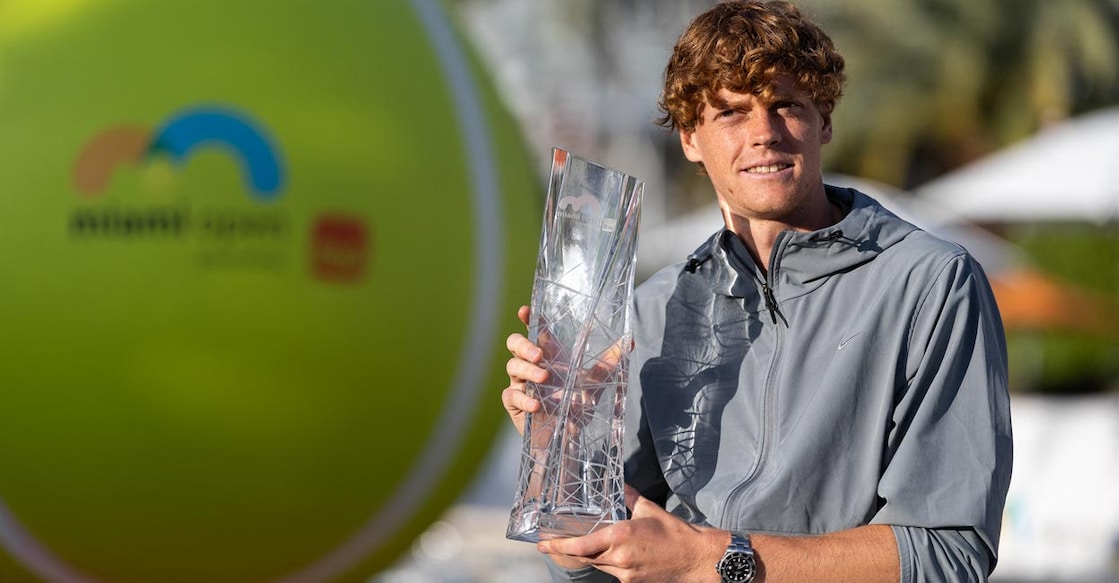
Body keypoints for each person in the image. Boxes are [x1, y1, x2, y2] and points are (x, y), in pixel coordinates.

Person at [502, 1, 1013, 581]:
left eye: (786, 105)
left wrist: (711, 559)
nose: (764, 134)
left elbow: (949, 553)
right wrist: (559, 454)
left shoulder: (931, 284)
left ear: (824, 120)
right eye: (732, 113)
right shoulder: (653, 310)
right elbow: (596, 563)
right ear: (690, 138)